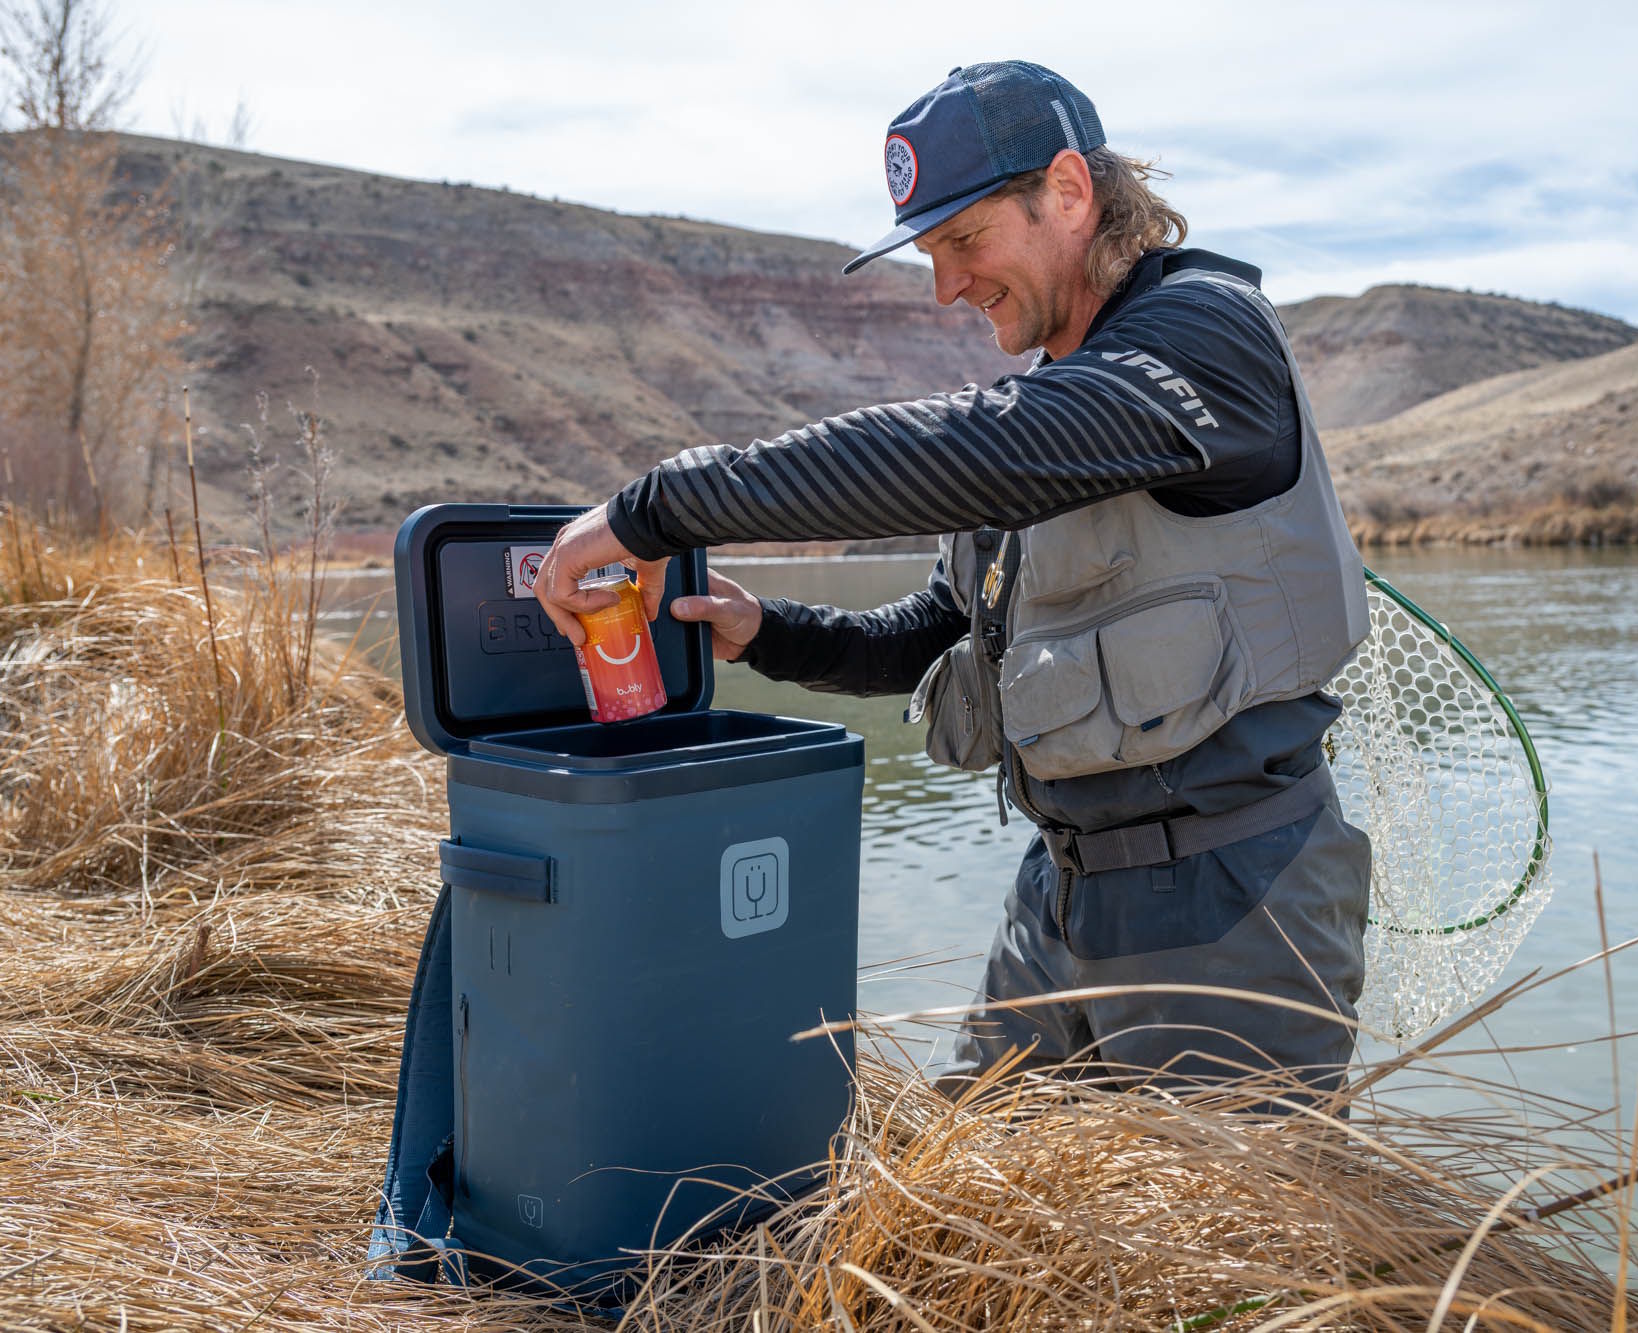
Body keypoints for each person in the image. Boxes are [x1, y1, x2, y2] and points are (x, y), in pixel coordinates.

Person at [535, 61, 1372, 1102]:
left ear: (1068, 193)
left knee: (1226, 1258)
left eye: (963, 242)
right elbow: (938, 632)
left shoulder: (1207, 335)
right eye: (931, 253)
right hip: (1057, 897)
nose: (944, 287)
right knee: (964, 1199)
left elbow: (966, 449)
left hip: (1229, 901)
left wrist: (655, 509)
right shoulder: (1047, 405)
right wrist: (767, 633)